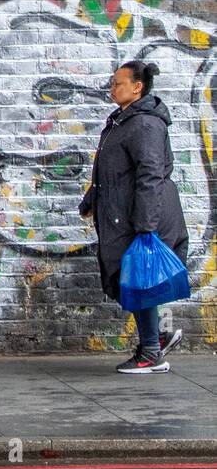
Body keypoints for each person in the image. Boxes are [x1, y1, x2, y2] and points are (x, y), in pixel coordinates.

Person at [79, 60, 187, 373]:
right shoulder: (124, 121)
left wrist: (146, 226)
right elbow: (113, 172)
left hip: (141, 217)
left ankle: (151, 352)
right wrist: (91, 200)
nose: (112, 88)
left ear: (137, 87)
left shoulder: (144, 124)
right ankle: (156, 338)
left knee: (141, 280)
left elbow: (150, 175)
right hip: (127, 215)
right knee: (140, 280)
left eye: (118, 83)